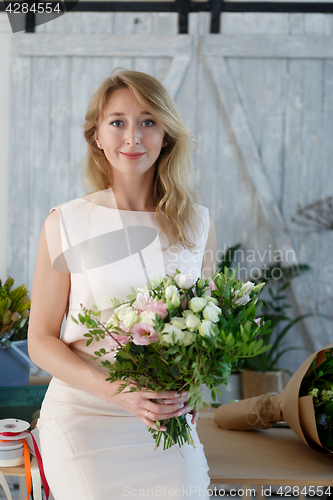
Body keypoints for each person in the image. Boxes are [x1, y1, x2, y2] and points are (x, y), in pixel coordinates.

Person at [28, 69, 217, 499]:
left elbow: (205, 334)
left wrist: (190, 383)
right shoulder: (67, 222)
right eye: (117, 122)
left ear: (166, 133)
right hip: (85, 417)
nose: (133, 136)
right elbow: (40, 340)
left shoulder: (198, 224)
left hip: (163, 423)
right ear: (97, 135)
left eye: (148, 121)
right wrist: (121, 392)